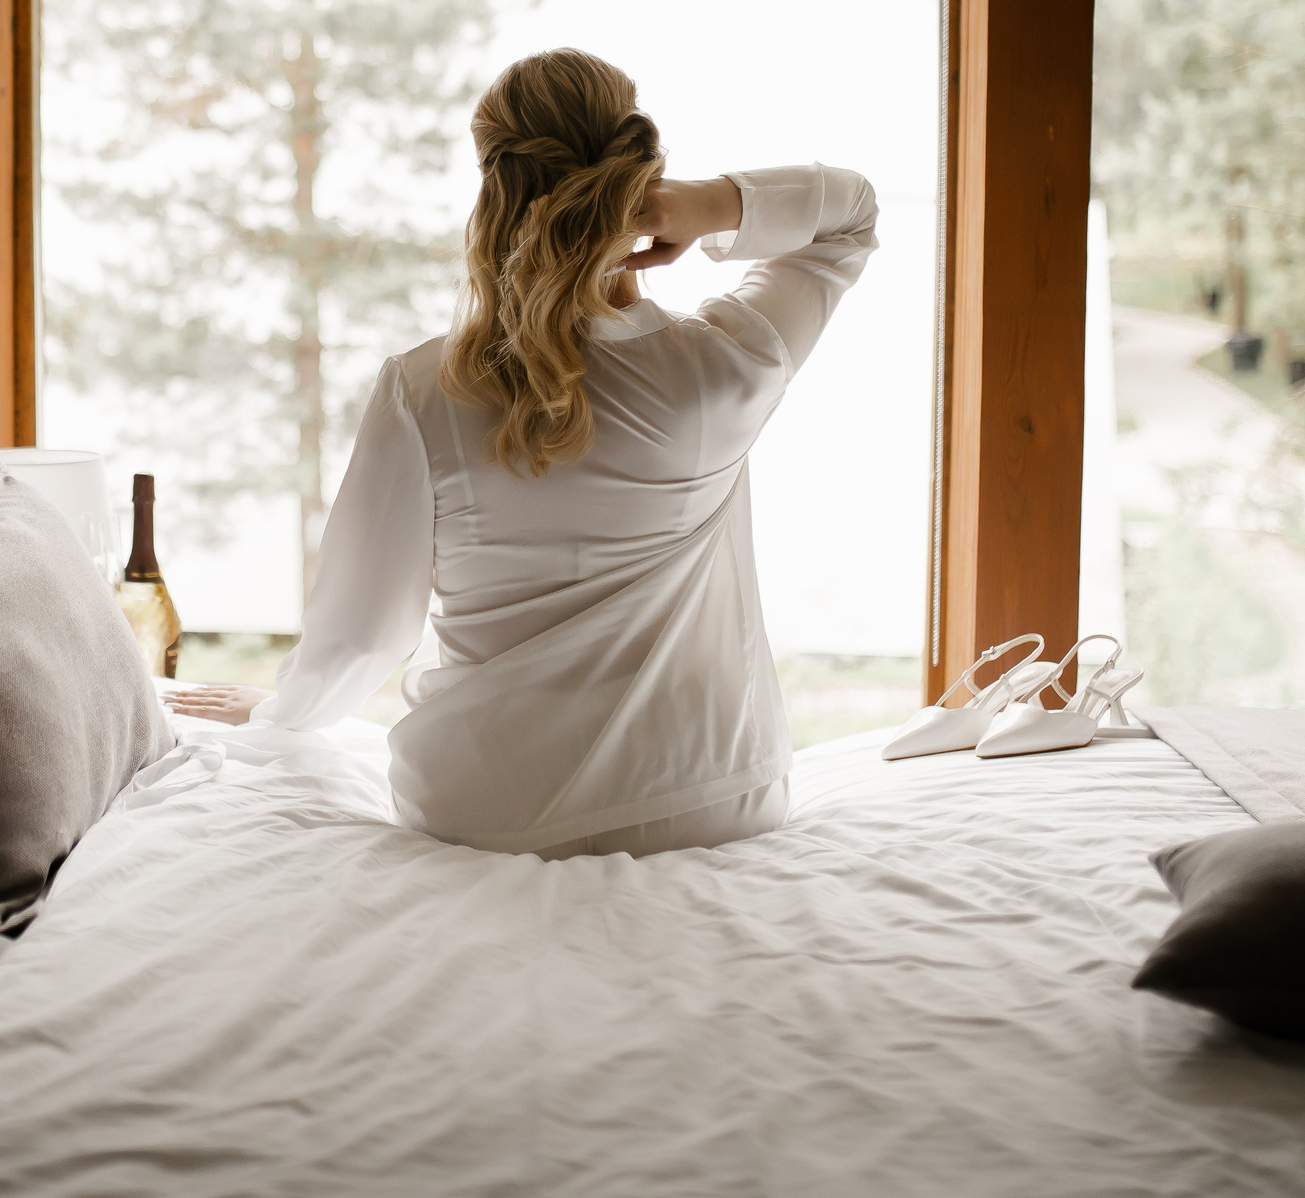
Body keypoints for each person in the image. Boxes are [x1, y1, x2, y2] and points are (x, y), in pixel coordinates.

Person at [166, 48, 878, 861]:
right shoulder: (721, 371)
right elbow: (851, 212)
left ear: (493, 191)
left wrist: (279, 712)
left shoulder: (425, 389)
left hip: (489, 809)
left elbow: (363, 635)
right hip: (714, 798)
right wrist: (705, 204)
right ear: (642, 175)